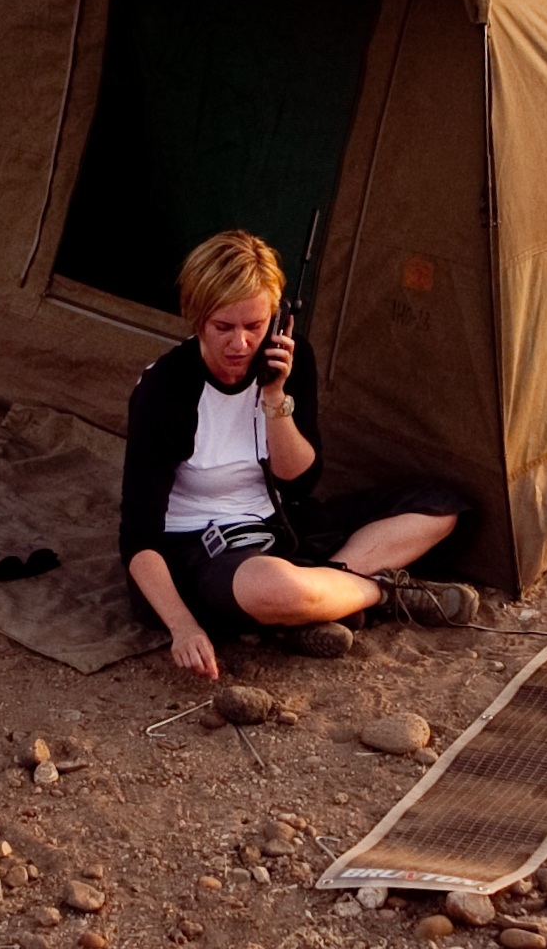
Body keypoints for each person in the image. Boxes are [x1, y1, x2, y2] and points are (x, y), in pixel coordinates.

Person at [121, 229, 478, 678]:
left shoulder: (288, 361)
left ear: (277, 317)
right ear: (196, 318)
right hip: (199, 549)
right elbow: (138, 536)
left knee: (440, 508)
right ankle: (382, 593)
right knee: (274, 586)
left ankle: (317, 599)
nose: (240, 345)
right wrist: (183, 626)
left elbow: (299, 480)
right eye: (223, 328)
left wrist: (274, 397)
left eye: (254, 326)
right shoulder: (164, 392)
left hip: (280, 521)